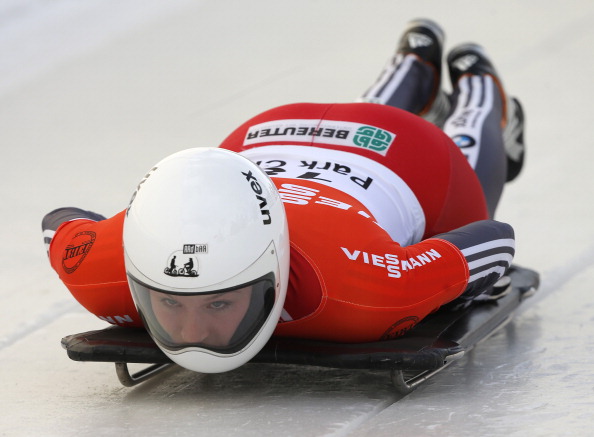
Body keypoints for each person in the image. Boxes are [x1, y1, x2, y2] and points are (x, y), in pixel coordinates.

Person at [42, 19, 525, 373]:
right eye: (168, 303)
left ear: (272, 275)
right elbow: (61, 228)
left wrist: (453, 287)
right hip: (266, 137)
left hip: (407, 154)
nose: (192, 336)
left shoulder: (366, 291)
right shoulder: (103, 265)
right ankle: (415, 60)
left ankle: (476, 85)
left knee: (457, 156)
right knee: (364, 122)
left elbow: (495, 237)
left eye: (217, 304)